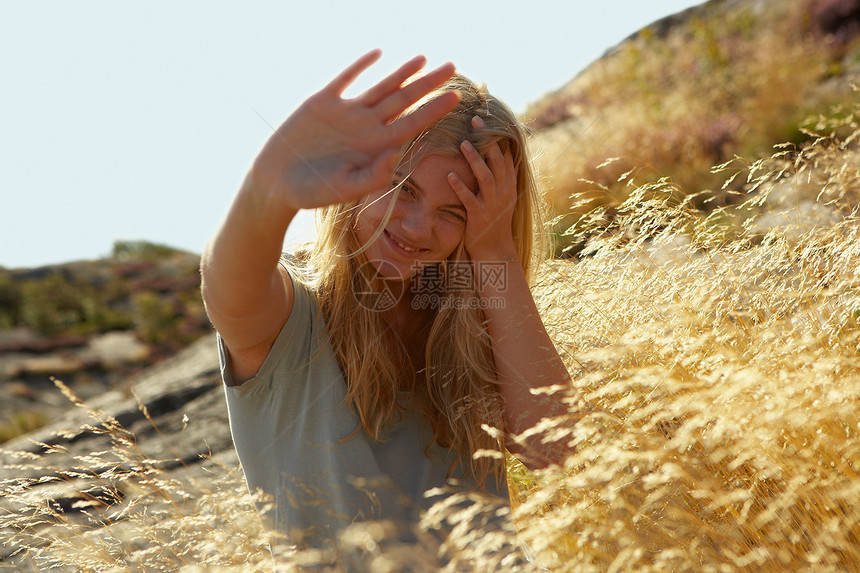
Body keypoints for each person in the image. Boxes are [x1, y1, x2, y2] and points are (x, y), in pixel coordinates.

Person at [200, 50, 571, 565]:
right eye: (403, 188)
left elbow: (556, 450)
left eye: (454, 211)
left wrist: (497, 254)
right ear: (359, 175)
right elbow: (227, 291)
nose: (418, 227)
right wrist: (270, 186)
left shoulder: (476, 322)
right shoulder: (294, 319)